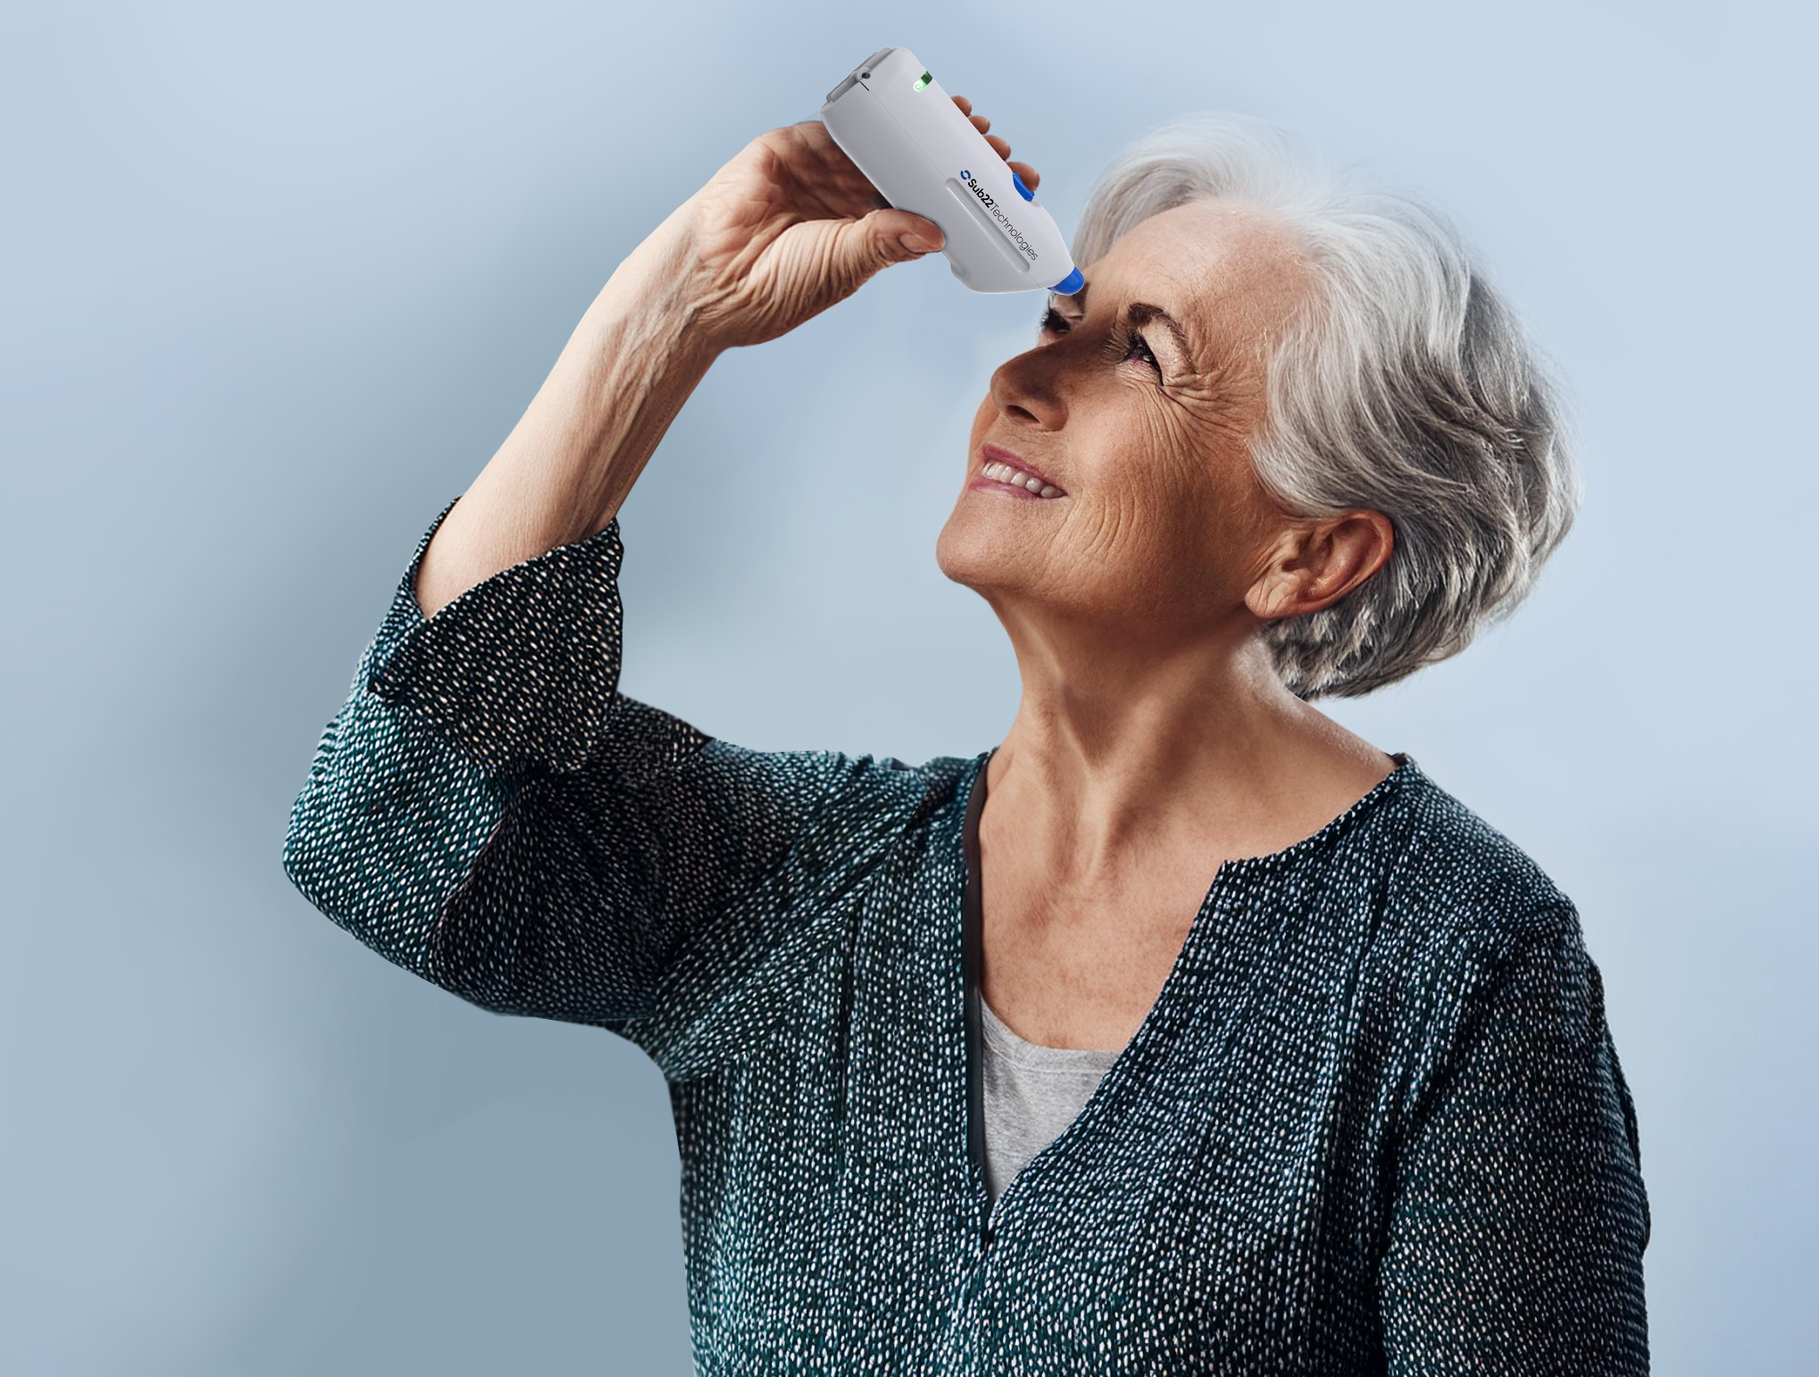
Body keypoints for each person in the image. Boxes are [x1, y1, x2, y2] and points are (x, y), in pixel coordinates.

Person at [282, 99, 1648, 1375]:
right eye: (1058, 318)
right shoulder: (807, 881)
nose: (1023, 375)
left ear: (1310, 554)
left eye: (1140, 353)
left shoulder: (1460, 961)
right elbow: (386, 831)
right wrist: (673, 312)